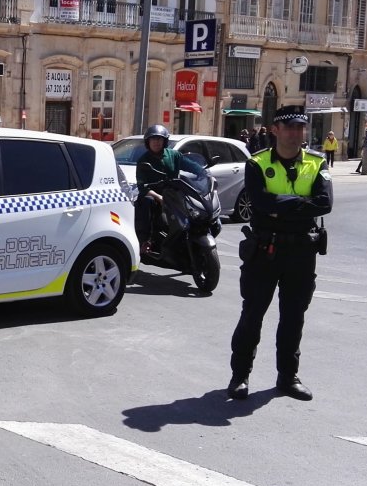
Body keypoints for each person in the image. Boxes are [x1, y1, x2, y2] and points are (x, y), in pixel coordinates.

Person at [228, 105, 333, 402]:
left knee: (293, 317)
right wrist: (300, 203)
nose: (296, 133)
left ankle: (288, 376)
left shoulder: (316, 163)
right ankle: (240, 375)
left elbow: (324, 203)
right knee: (252, 314)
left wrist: (280, 207)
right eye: (290, 128)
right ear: (276, 130)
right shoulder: (257, 163)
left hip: (301, 250)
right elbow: (260, 203)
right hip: (265, 249)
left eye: (300, 128)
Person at [134, 124, 203, 253]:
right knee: (146, 202)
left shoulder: (174, 155)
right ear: (147, 142)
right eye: (153, 139)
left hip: (173, 193)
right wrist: (158, 197)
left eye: (159, 139)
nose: (156, 142)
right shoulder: (143, 160)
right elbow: (142, 186)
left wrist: (204, 174)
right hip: (154, 195)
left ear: (164, 141)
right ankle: (146, 241)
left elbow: (191, 166)